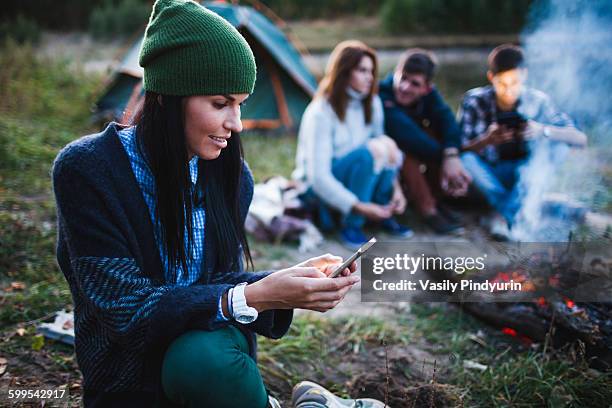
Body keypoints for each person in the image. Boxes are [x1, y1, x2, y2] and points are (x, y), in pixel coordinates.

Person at [52, 1, 374, 407]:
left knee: (203, 357)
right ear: (169, 97)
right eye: (221, 104)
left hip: (205, 352)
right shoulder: (88, 171)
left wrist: (287, 282)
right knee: (200, 361)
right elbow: (123, 308)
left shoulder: (232, 177)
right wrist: (256, 295)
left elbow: (215, 279)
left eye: (239, 104)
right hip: (128, 381)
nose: (236, 124)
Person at [457, 44, 587, 240]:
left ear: (524, 75)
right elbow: (459, 150)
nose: (509, 90)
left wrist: (542, 130)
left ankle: (503, 214)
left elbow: (580, 139)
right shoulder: (475, 101)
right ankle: (521, 210)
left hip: (526, 176)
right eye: (502, 83)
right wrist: (486, 140)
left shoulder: (538, 100)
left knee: (558, 147)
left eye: (515, 82)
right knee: (467, 159)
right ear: (491, 78)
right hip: (490, 175)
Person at [293, 40, 412, 250]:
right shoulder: (321, 112)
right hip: (318, 191)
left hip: (356, 179)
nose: (370, 77)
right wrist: (359, 207)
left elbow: (385, 151)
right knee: (369, 153)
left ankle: (384, 211)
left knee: (387, 145)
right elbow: (318, 178)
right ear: (344, 72)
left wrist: (397, 190)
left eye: (372, 71)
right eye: (362, 70)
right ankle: (352, 224)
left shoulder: (372, 103)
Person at [379, 49, 471, 234]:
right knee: (405, 152)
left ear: (426, 88)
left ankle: (438, 200)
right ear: (396, 72)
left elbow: (447, 120)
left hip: (417, 149)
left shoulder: (430, 95)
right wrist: (448, 160)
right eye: (403, 78)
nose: (405, 87)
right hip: (390, 156)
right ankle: (427, 209)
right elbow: (406, 134)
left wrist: (451, 154)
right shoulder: (383, 93)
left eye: (414, 83)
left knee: (437, 133)